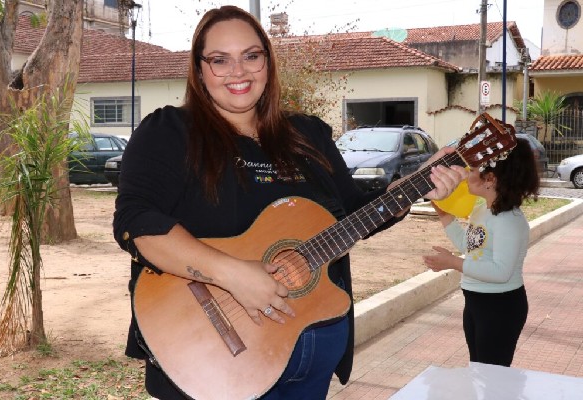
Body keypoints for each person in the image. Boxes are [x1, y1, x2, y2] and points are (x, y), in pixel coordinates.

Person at [113, 6, 467, 399]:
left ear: (267, 61)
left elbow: (352, 214)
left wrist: (416, 185)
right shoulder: (170, 131)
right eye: (220, 60)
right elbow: (136, 221)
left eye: (251, 56)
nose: (238, 71)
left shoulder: (307, 134)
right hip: (220, 356)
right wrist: (232, 275)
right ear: (199, 69)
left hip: (314, 350)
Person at [423, 137, 541, 368]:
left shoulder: (509, 220)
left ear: (490, 179)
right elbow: (469, 246)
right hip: (475, 302)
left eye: (474, 169)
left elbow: (501, 272)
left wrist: (453, 263)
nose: (468, 174)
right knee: (478, 369)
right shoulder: (482, 210)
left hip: (500, 307)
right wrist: (442, 211)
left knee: (492, 375)